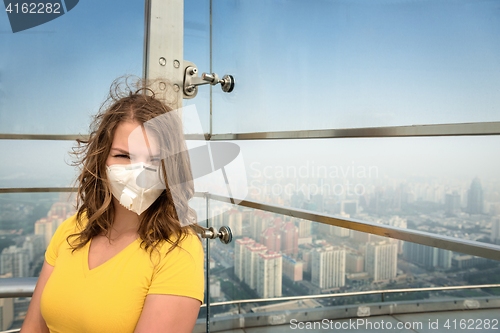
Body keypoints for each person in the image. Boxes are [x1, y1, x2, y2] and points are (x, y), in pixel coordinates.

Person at [21, 78, 204, 333]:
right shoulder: (70, 229)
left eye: (154, 159)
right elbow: (32, 329)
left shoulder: (179, 249)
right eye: (123, 155)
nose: (138, 171)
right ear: (101, 160)